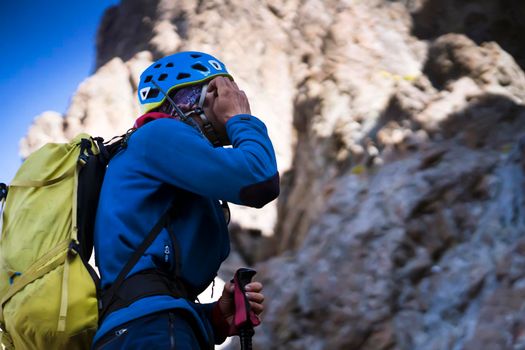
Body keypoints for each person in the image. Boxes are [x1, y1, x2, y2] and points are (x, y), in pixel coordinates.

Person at [91, 51, 279, 349]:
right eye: (221, 91)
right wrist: (240, 118)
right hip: (152, 328)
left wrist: (215, 317)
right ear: (201, 95)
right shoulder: (158, 133)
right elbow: (259, 180)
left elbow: (144, 283)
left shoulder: (160, 153)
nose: (232, 98)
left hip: (143, 327)